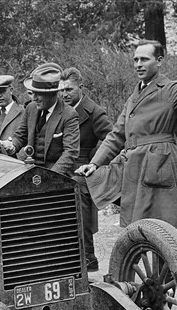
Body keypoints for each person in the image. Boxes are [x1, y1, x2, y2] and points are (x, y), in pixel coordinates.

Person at [76, 40, 177, 229]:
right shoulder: (134, 96)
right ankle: (91, 254)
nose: (138, 64)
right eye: (135, 60)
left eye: (144, 59)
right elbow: (116, 135)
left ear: (159, 61)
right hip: (133, 165)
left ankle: (165, 259)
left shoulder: (171, 89)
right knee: (84, 183)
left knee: (161, 231)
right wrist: (95, 163)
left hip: (160, 163)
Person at [59, 67, 112, 271]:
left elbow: (111, 140)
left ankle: (88, 256)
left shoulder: (94, 112)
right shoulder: (59, 109)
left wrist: (95, 163)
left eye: (69, 90)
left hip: (81, 170)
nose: (64, 94)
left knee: (78, 198)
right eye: (61, 90)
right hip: (60, 163)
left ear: (80, 87)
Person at [9, 63, 79, 177]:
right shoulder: (31, 108)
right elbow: (20, 136)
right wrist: (11, 146)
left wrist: (50, 176)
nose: (34, 98)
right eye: (33, 93)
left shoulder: (69, 114)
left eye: (39, 94)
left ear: (52, 93)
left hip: (57, 176)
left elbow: (70, 153)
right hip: (30, 170)